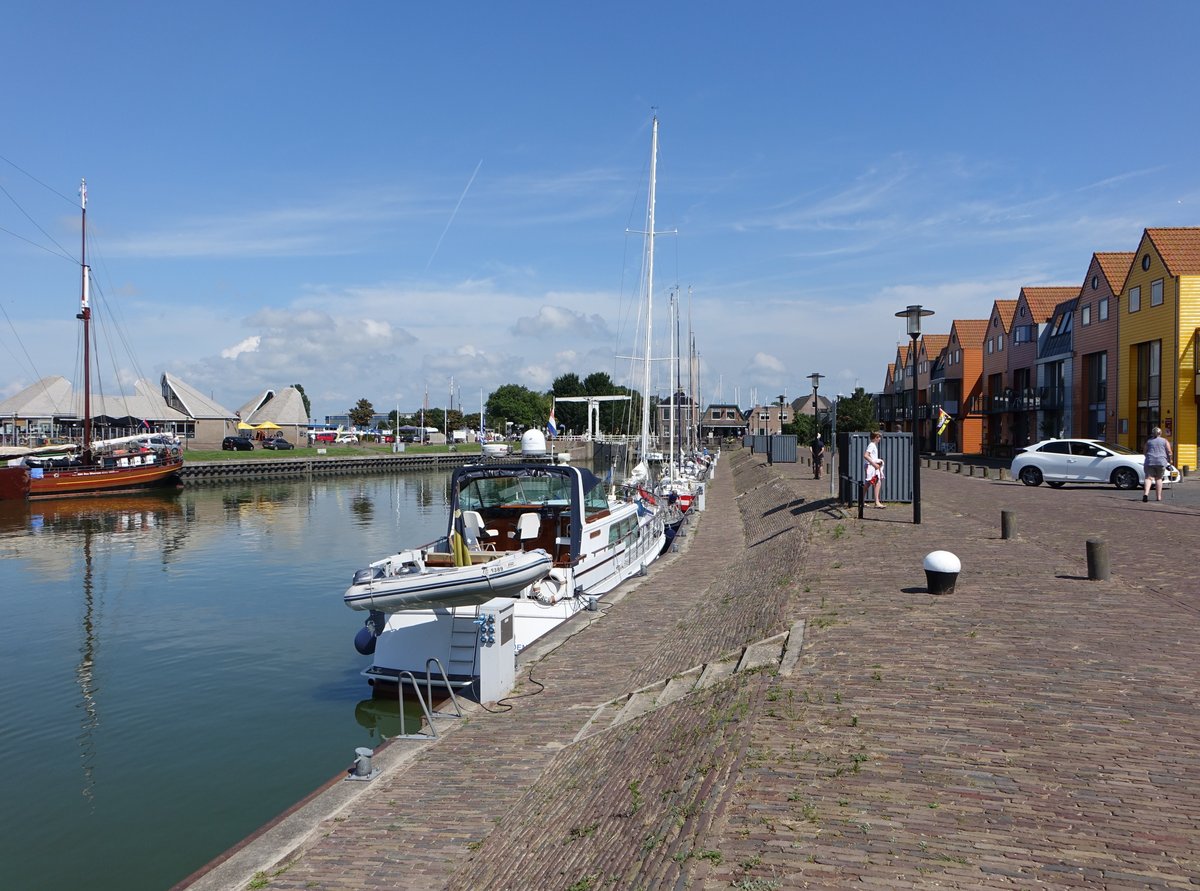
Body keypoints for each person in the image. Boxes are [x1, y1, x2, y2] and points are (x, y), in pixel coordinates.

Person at [1142, 426, 1173, 503]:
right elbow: (1169, 452)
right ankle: (1158, 497)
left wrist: (1148, 457)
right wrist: (1170, 459)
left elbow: (1144, 451)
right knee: (1159, 478)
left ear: (1153, 433)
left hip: (1150, 461)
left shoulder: (1148, 441)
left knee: (1148, 478)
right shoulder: (1164, 441)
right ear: (1160, 433)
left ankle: (1146, 494)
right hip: (1161, 461)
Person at [864, 431, 885, 508]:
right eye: (879, 437)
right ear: (875, 437)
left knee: (869, 483)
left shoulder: (872, 445)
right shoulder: (872, 445)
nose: (879, 439)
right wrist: (874, 464)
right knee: (877, 482)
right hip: (871, 467)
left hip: (871, 466)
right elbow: (866, 455)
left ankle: (862, 500)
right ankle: (876, 502)